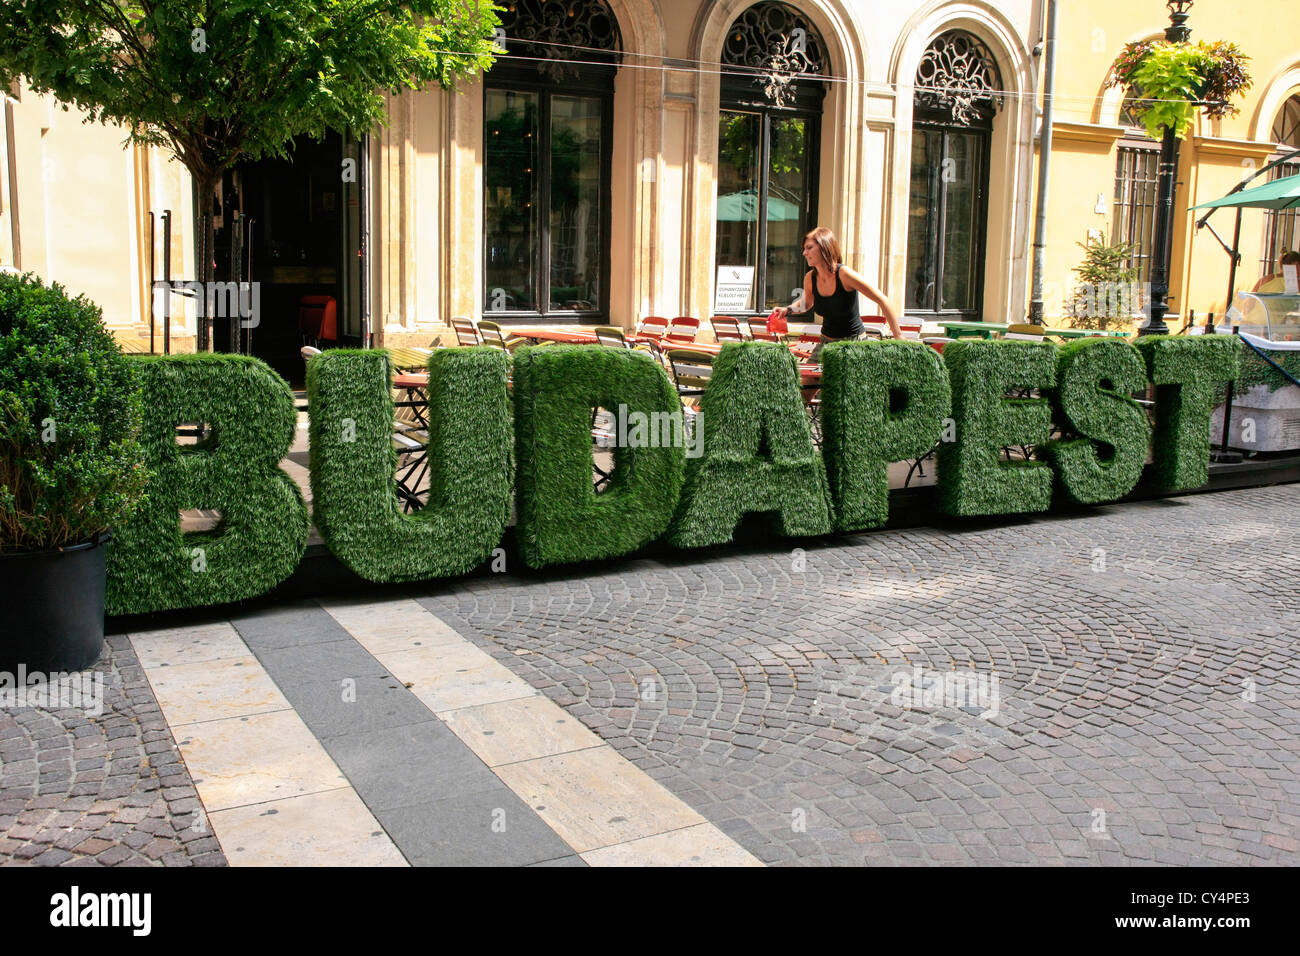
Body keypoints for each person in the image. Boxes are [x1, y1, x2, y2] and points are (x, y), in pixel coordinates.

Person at [774, 226, 904, 360]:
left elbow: (883, 300)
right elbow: (806, 303)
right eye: (804, 249)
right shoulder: (810, 278)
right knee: (807, 379)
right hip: (826, 343)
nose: (804, 253)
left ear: (825, 247)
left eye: (809, 248)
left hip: (853, 344)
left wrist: (898, 336)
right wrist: (787, 309)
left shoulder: (844, 274)